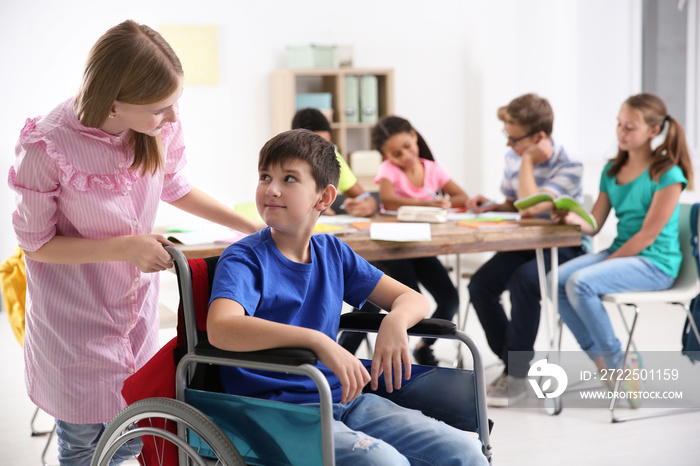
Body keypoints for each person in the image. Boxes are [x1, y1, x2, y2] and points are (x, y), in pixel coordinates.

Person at [8, 20, 263, 465]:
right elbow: (36, 244)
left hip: (133, 313)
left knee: (136, 428)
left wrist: (251, 228)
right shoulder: (45, 146)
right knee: (83, 442)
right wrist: (127, 247)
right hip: (74, 320)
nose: (174, 117)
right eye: (162, 108)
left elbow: (177, 186)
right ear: (113, 103)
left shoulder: (153, 130)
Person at [206, 129, 488, 465]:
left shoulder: (332, 252)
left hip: (345, 397)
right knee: (384, 463)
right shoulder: (244, 257)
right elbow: (222, 327)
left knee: (465, 453)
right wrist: (318, 342)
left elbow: (412, 298)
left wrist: (396, 321)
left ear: (323, 198)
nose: (272, 189)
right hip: (273, 411)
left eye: (289, 178)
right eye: (265, 176)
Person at [554, 93, 693, 405]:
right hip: (622, 253)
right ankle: (601, 360)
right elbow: (595, 224)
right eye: (619, 125)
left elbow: (647, 236)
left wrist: (603, 264)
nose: (621, 132)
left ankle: (621, 363)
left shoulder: (668, 174)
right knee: (556, 280)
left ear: (653, 131)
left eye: (629, 127)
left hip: (655, 263)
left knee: (581, 281)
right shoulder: (611, 171)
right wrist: (573, 218)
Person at [464, 93, 585, 407]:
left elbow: (532, 209)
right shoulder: (514, 157)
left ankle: (515, 373)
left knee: (525, 280)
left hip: (564, 247)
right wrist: (491, 204)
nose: (508, 145)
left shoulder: (570, 166)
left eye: (514, 139)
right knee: (480, 285)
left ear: (539, 138)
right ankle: (514, 362)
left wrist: (528, 160)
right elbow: (517, 203)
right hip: (526, 244)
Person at [370, 116, 467, 366]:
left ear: (414, 136)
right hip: (395, 249)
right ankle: (397, 359)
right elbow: (389, 201)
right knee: (410, 302)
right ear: (386, 157)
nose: (405, 155)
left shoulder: (432, 168)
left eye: (407, 145)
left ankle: (423, 345)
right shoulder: (388, 171)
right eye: (395, 153)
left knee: (450, 299)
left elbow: (461, 197)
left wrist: (444, 202)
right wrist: (427, 203)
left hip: (422, 246)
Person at [291, 107, 378, 217]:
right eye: (314, 147)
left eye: (325, 145)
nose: (322, 153)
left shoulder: (331, 158)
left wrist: (367, 206)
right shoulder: (283, 162)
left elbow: (367, 199)